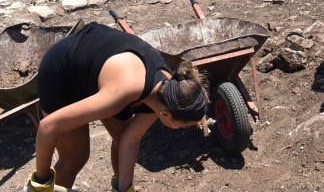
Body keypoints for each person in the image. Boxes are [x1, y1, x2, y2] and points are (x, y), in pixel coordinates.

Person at [25, 22, 208, 192]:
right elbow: (48, 126)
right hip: (62, 72)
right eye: (182, 126)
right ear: (166, 115)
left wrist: (125, 189)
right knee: (75, 157)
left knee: (122, 138)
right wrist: (41, 183)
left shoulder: (167, 93)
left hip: (99, 68)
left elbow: (130, 140)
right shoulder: (120, 96)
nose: (182, 130)